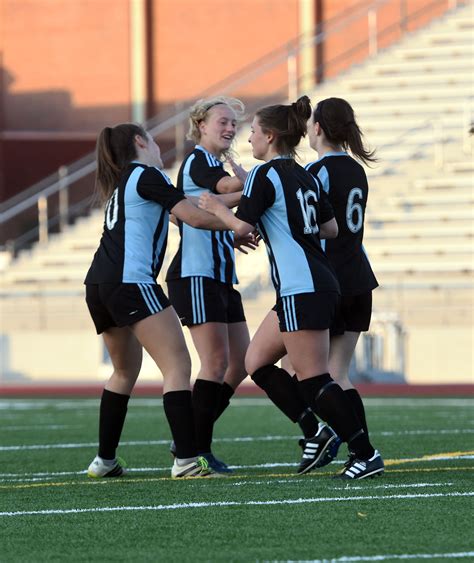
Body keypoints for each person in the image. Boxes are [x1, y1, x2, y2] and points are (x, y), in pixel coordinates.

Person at [199, 96, 384, 480]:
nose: (248, 139)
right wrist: (289, 229)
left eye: (252, 133)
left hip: (304, 284)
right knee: (256, 362)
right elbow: (331, 228)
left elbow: (243, 227)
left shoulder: (265, 176)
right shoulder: (302, 173)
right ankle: (317, 431)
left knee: (315, 376)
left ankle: (364, 452)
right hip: (309, 282)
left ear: (269, 136)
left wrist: (216, 208)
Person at [84, 123, 233, 479]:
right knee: (178, 366)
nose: (156, 145)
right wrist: (237, 224)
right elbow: (194, 217)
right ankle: (185, 460)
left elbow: (181, 212)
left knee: (123, 372)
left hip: (99, 284)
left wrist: (228, 211)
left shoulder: (124, 181)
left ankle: (104, 460)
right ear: (139, 142)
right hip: (131, 282)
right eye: (150, 139)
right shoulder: (146, 174)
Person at [282, 97, 380, 467]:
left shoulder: (317, 169)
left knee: (298, 371)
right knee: (339, 372)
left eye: (311, 125)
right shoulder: (357, 169)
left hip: (331, 279)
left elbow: (308, 222)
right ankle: (363, 451)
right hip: (360, 276)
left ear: (318, 127)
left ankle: (340, 442)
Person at [165, 96, 252, 473]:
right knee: (215, 363)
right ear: (201, 124)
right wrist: (252, 185)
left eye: (234, 123)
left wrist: (231, 236)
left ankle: (190, 435)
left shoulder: (211, 162)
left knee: (242, 362)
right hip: (196, 275)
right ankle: (195, 450)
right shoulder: (199, 159)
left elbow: (210, 207)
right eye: (223, 121)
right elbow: (224, 190)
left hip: (219, 276)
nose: (230, 128)